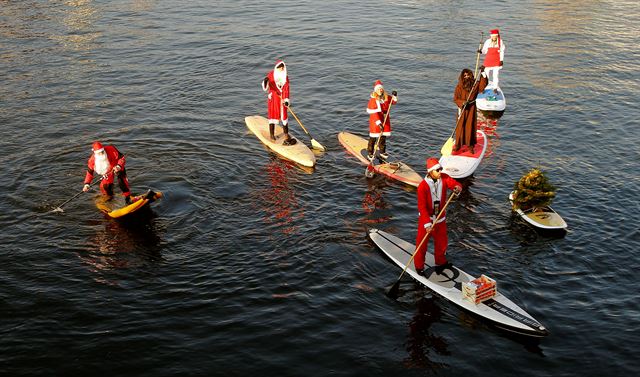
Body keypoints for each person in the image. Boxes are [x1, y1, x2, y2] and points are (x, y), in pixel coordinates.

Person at [415, 158, 462, 275]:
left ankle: (440, 262)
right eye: (437, 170)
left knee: (442, 243)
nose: (440, 171)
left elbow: (455, 184)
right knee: (422, 245)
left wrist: (457, 188)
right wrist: (427, 224)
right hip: (426, 219)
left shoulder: (444, 178)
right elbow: (422, 207)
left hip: (440, 218)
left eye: (440, 169)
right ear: (430, 172)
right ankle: (419, 267)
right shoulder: (422, 187)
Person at [453, 68, 487, 154]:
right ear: (462, 77)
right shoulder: (458, 87)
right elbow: (456, 99)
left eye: (468, 75)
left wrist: (483, 73)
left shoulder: (475, 84)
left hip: (471, 108)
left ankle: (470, 145)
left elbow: (482, 88)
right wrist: (463, 102)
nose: (466, 77)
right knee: (460, 127)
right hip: (462, 109)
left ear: (471, 75)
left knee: (470, 127)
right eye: (464, 75)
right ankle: (458, 145)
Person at [261, 59, 295, 145]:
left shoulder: (285, 76)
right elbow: (266, 86)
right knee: (272, 116)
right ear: (277, 67)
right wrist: (265, 82)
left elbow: (286, 89)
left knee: (284, 117)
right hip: (274, 99)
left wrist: (286, 100)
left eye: (283, 67)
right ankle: (272, 135)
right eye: (280, 67)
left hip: (282, 99)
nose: (282, 69)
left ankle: (286, 134)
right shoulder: (271, 75)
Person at [366, 80, 397, 161]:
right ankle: (370, 152)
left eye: (381, 89)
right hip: (375, 121)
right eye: (378, 89)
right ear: (375, 90)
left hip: (384, 119)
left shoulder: (385, 97)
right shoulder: (373, 100)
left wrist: (395, 96)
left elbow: (393, 102)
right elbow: (374, 114)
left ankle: (382, 152)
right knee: (373, 138)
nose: (380, 90)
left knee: (383, 137)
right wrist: (379, 123)